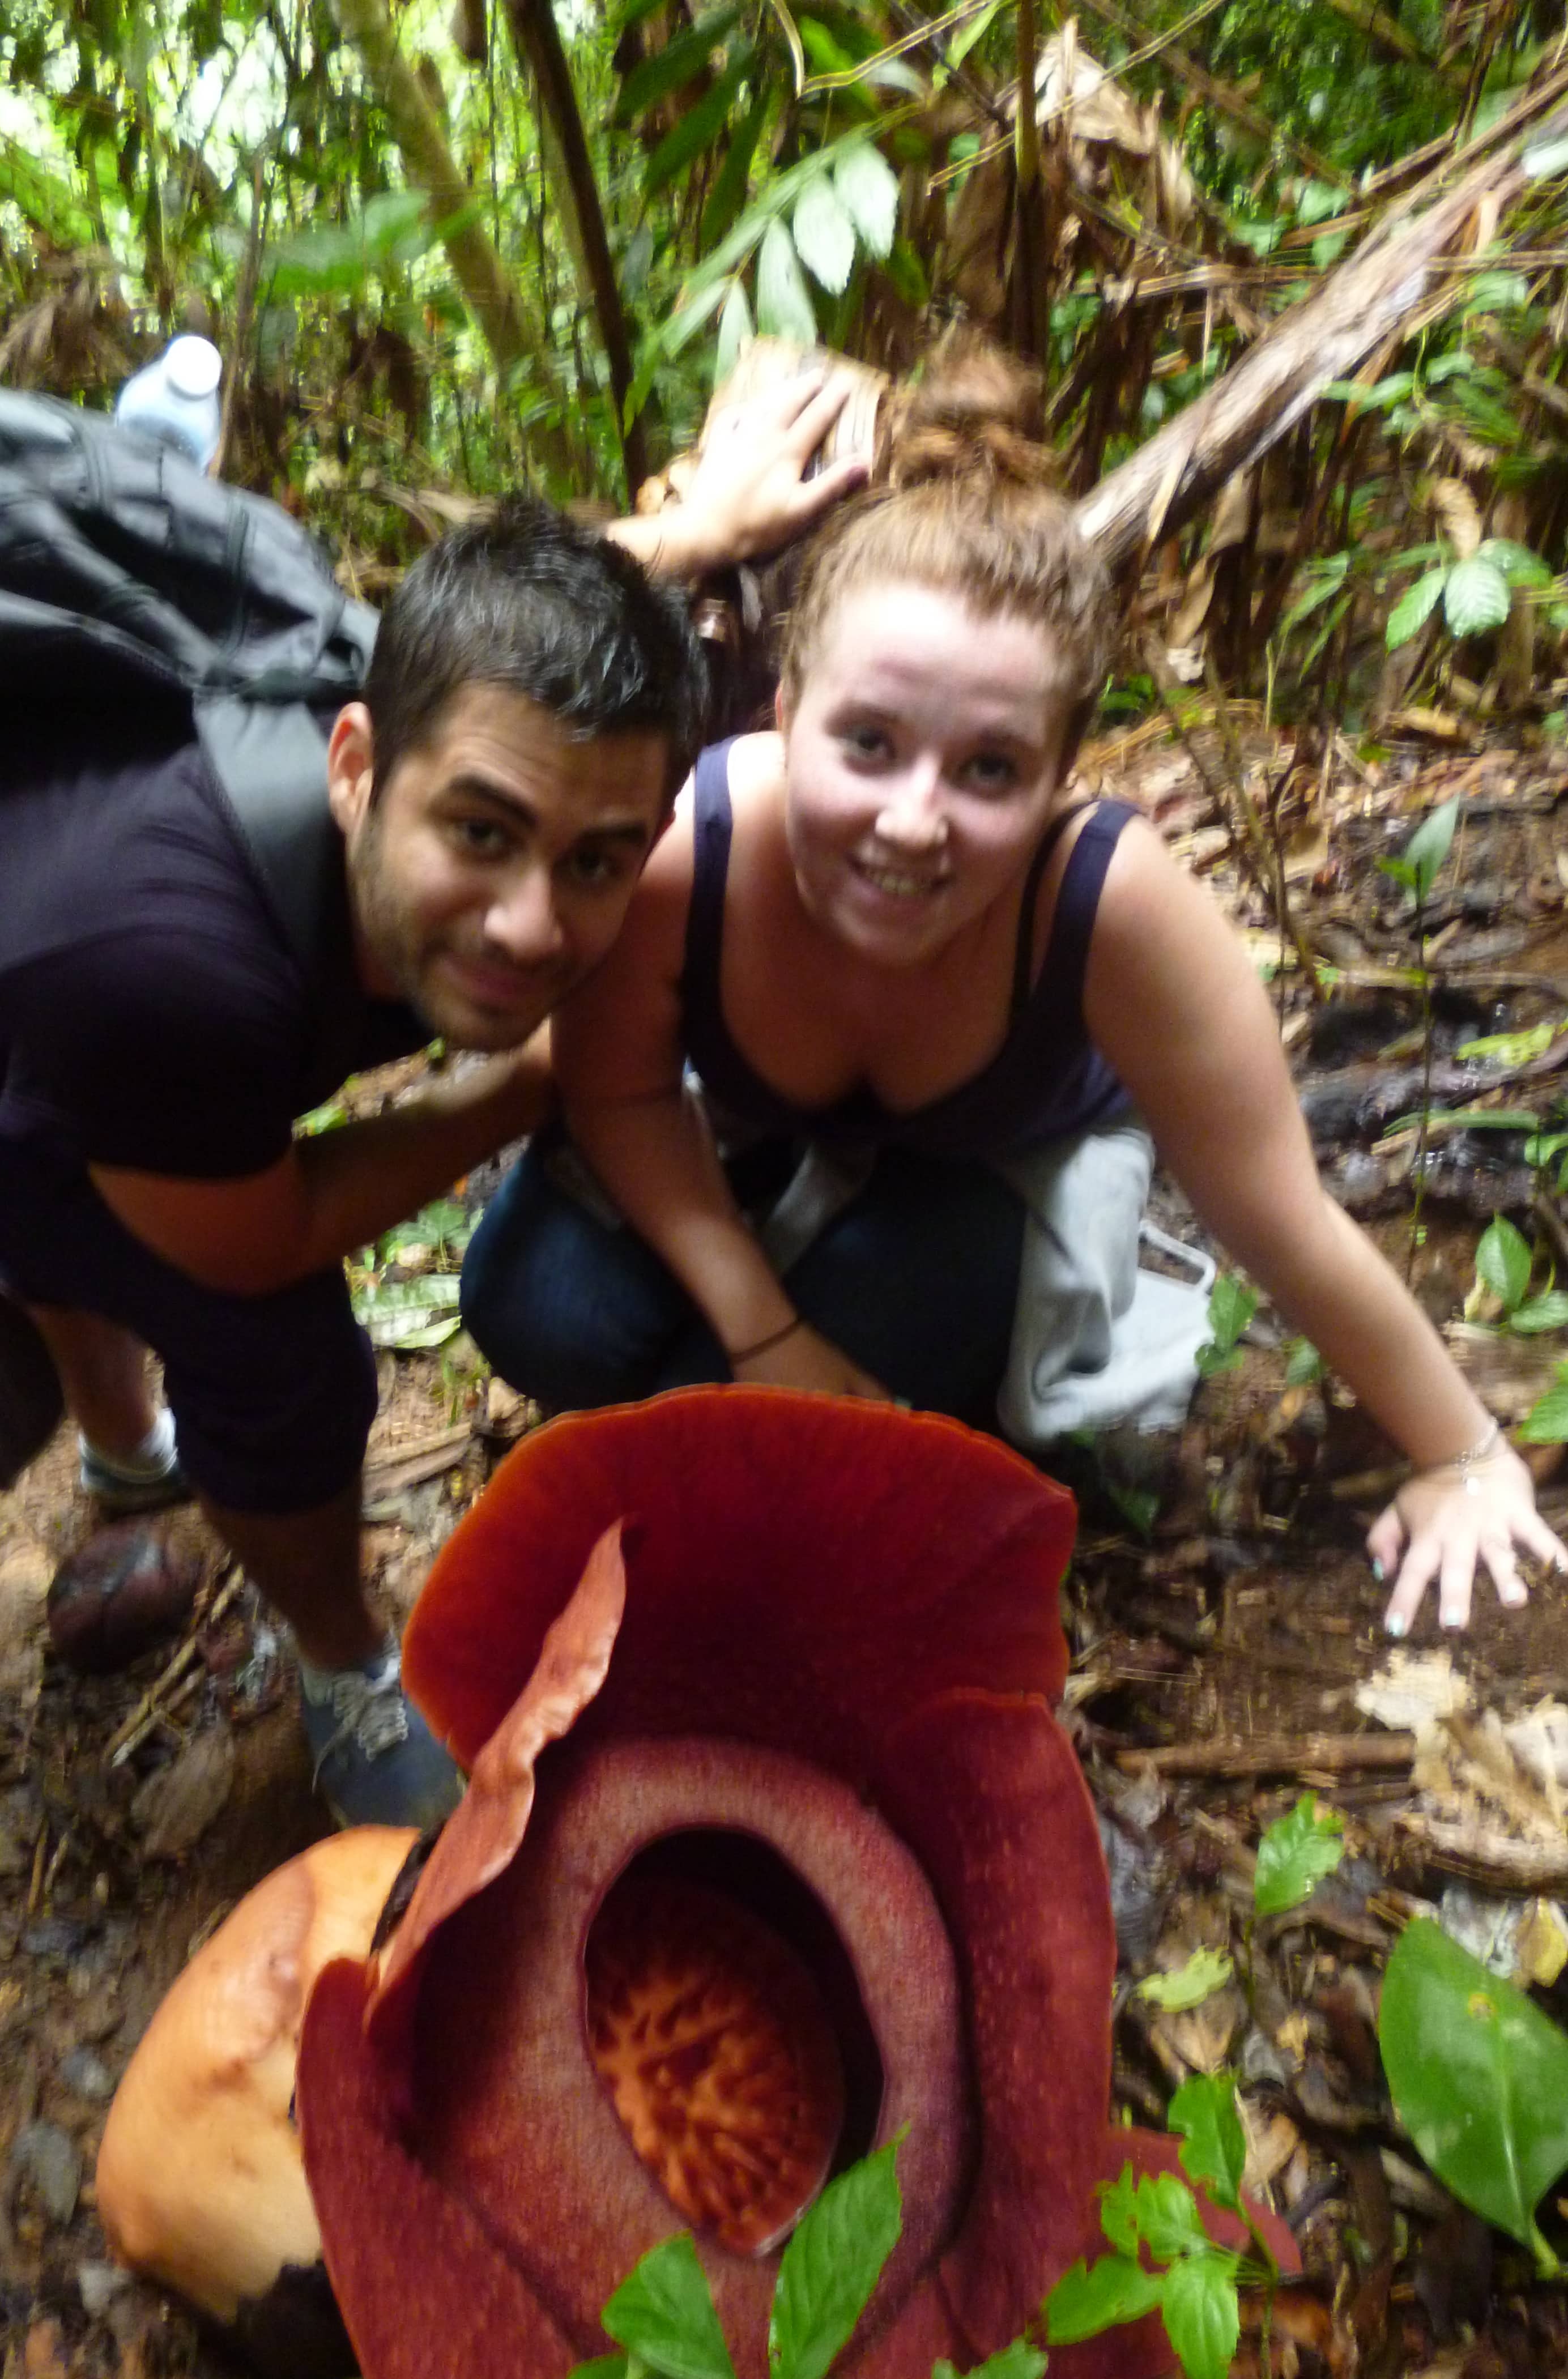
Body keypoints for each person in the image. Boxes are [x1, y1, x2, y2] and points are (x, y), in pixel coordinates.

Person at [0, 376, 872, 1832]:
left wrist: (698, 534)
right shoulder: (172, 972)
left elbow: (516, 664)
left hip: (14, 929)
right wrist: (531, 1087)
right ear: (357, 767)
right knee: (261, 1337)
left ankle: (129, 1468)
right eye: (482, 836)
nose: (529, 925)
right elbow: (260, 1238)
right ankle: (344, 1663)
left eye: (599, 861)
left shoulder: (425, 705)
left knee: (112, 1148)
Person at [461, 334, 1567, 1639]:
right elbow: (624, 1096)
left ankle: (808, 1393)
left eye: (989, 770)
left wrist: (1464, 1452)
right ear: (784, 707)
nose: (913, 823)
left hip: (981, 1183)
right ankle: (744, 1366)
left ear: (1060, 775)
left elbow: (1281, 1216)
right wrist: (766, 1334)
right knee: (534, 1302)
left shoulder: (1109, 908)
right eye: (867, 745)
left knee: (745, 1410)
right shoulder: (686, 851)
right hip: (757, 1141)